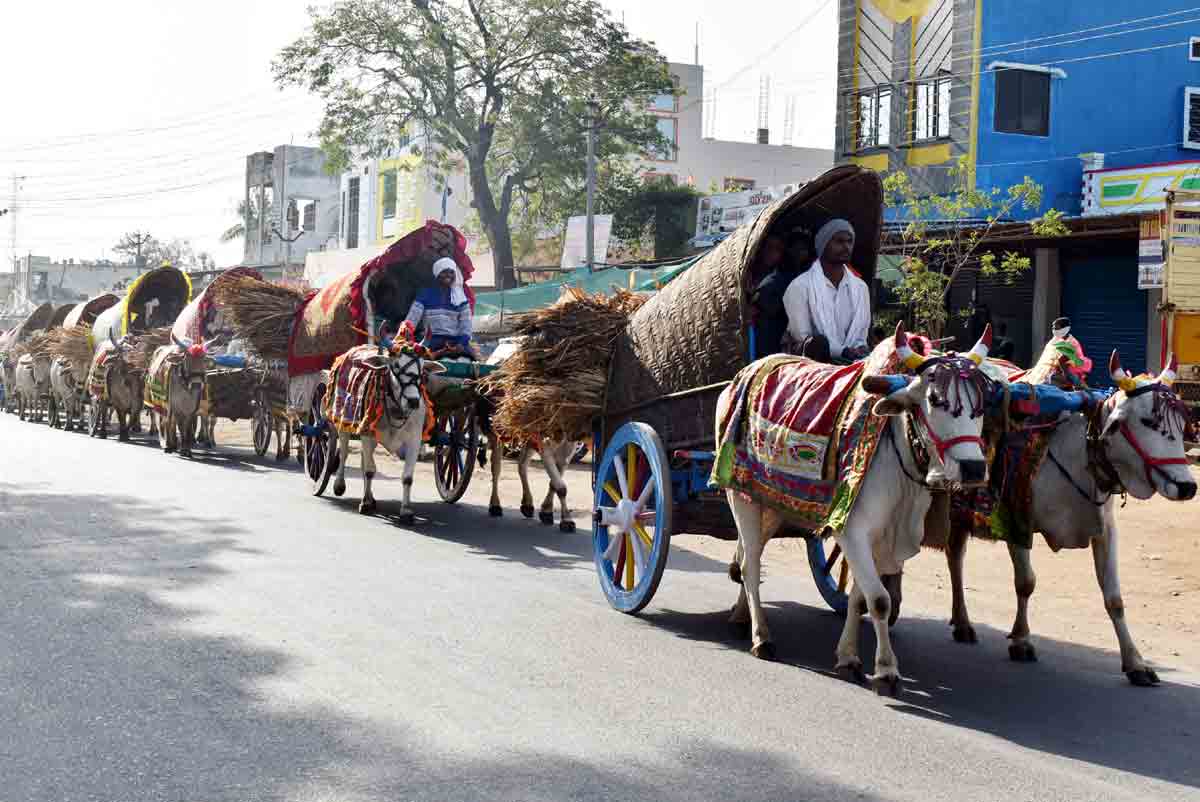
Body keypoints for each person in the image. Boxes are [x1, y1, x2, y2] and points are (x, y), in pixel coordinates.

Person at [781, 218, 871, 363]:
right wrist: (841, 351)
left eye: (849, 241)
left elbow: (861, 337)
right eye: (839, 241)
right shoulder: (799, 286)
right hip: (813, 365)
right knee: (819, 343)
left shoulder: (861, 288)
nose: (846, 246)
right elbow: (804, 339)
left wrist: (859, 349)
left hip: (854, 362)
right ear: (823, 245)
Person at [751, 228, 813, 356]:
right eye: (769, 247)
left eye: (777, 249)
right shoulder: (748, 275)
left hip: (771, 343)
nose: (771, 253)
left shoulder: (783, 279)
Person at [403, 256, 474, 357]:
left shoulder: (461, 298)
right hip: (431, 341)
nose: (448, 275)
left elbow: (466, 324)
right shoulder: (425, 294)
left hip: (456, 342)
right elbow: (412, 318)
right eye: (444, 271)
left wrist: (461, 343)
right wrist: (405, 334)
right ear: (437, 274)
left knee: (473, 361)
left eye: (451, 272)